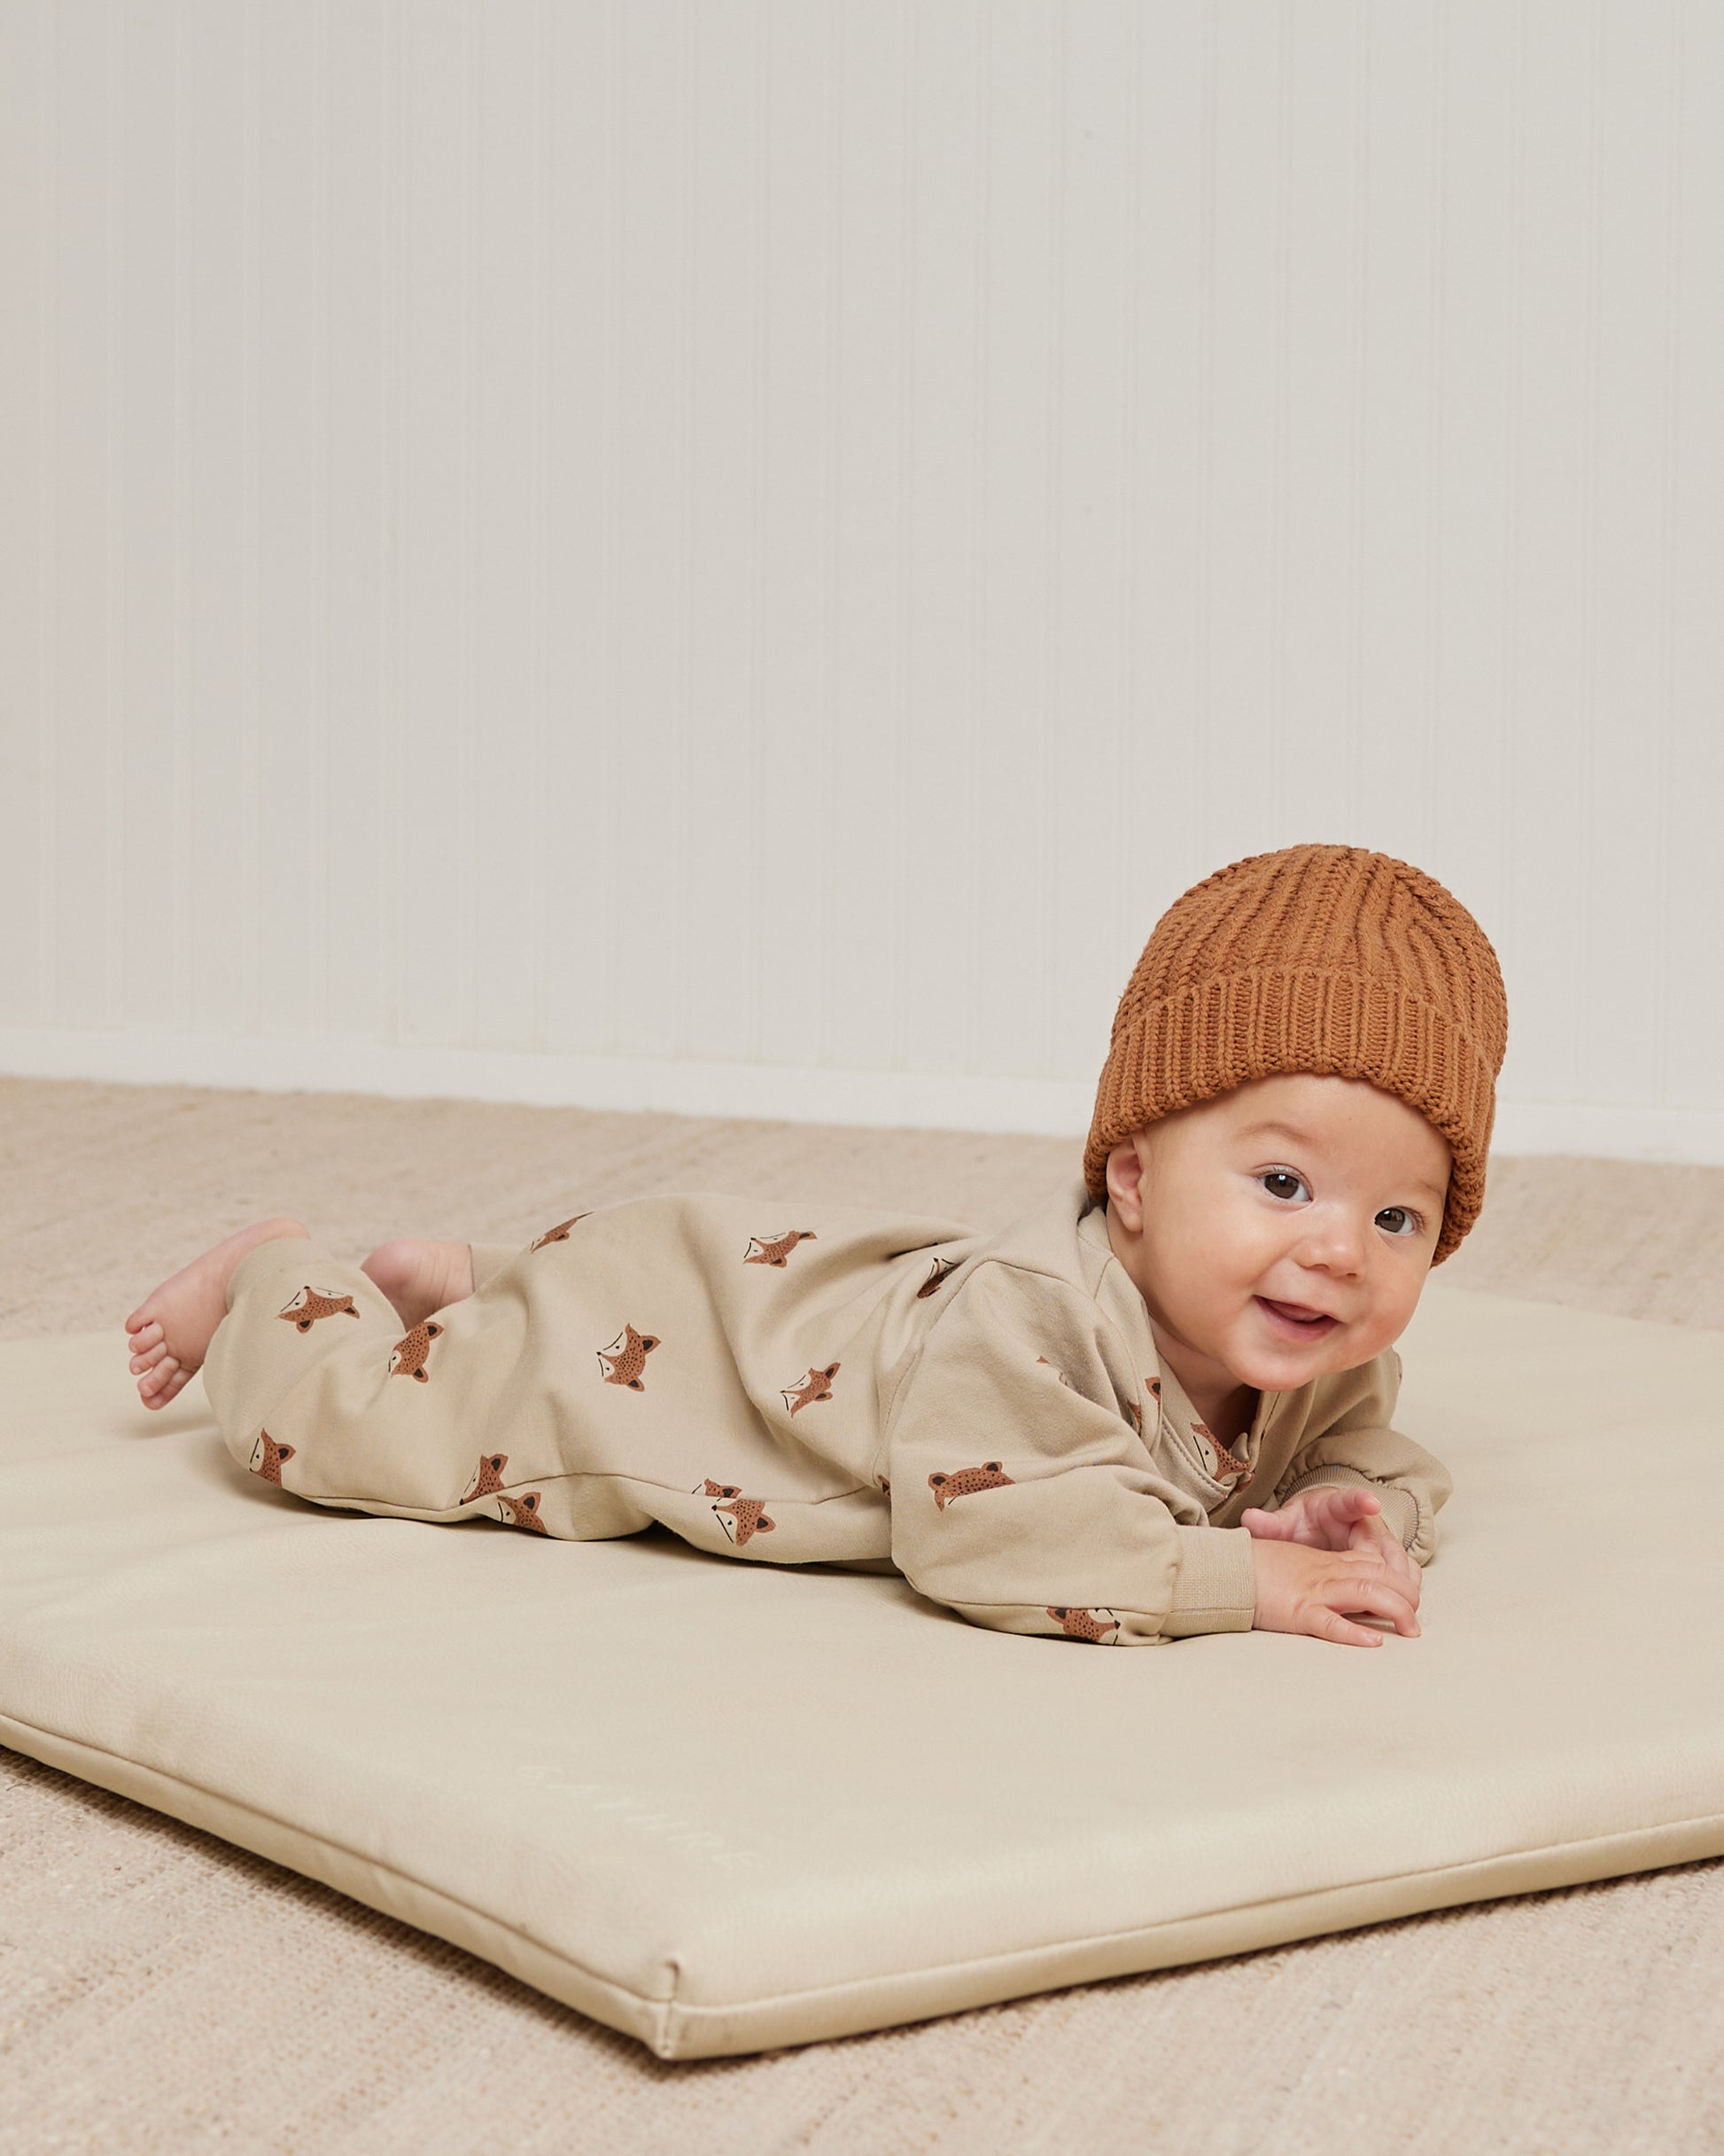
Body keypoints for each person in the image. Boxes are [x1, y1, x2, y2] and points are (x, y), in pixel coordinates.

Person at [123, 842, 1507, 1649]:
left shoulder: (1313, 1339)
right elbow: (995, 1538)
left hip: (755, 1291)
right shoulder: (1029, 1318)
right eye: (1282, 1181)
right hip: (660, 1366)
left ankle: (471, 1279)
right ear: (1132, 1179)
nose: (1340, 1250)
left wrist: (1350, 1511)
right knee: (357, 1437)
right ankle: (276, 1278)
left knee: (561, 1301)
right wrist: (1252, 1576)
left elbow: (1376, 1451)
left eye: (1396, 1216)